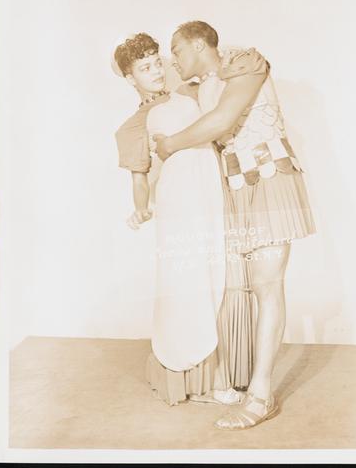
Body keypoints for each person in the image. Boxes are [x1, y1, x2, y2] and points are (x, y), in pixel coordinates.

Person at [154, 21, 317, 429]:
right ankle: (234, 381)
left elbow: (222, 121)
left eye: (177, 50)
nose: (173, 60)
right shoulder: (202, 84)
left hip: (268, 180)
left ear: (198, 44)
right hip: (233, 188)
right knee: (236, 287)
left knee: (267, 285)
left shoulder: (246, 61)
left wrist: (170, 143)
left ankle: (261, 396)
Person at [113, 33, 247, 406]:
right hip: (179, 200)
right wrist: (141, 208)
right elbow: (139, 176)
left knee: (220, 276)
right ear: (130, 78)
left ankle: (225, 372)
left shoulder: (190, 93)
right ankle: (202, 379)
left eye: (157, 62)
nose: (156, 71)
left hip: (211, 187)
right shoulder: (132, 126)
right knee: (191, 282)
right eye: (145, 68)